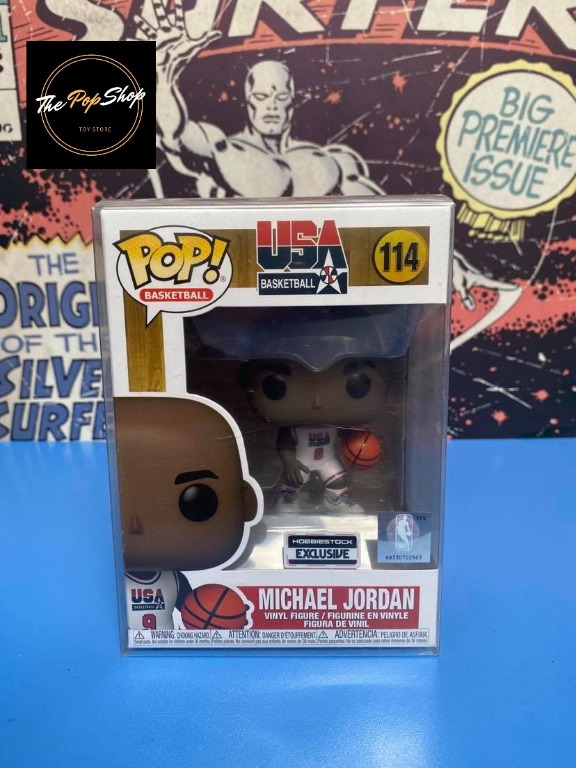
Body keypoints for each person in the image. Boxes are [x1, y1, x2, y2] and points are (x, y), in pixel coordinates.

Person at [135, 0, 383, 198]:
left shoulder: (333, 161)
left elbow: (377, 215)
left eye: (281, 96)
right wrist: (163, 79)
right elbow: (174, 133)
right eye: (262, 96)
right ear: (248, 101)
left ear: (292, 103)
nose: (271, 105)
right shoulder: (222, 149)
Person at [114, 396, 261, 629]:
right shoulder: (110, 582)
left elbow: (197, 610)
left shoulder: (174, 579)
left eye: (198, 501)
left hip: (168, 647)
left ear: (246, 502)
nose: (136, 525)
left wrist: (224, 617)